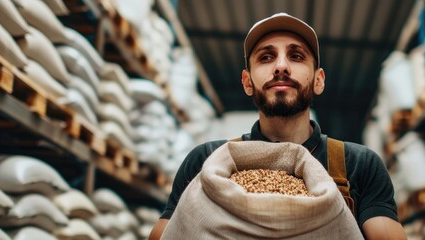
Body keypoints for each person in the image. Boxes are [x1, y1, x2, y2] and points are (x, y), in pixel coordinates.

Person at [149, 13, 407, 240]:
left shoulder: (358, 164)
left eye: (296, 56)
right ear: (247, 81)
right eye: (266, 57)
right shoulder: (206, 161)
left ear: (319, 80)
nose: (281, 66)